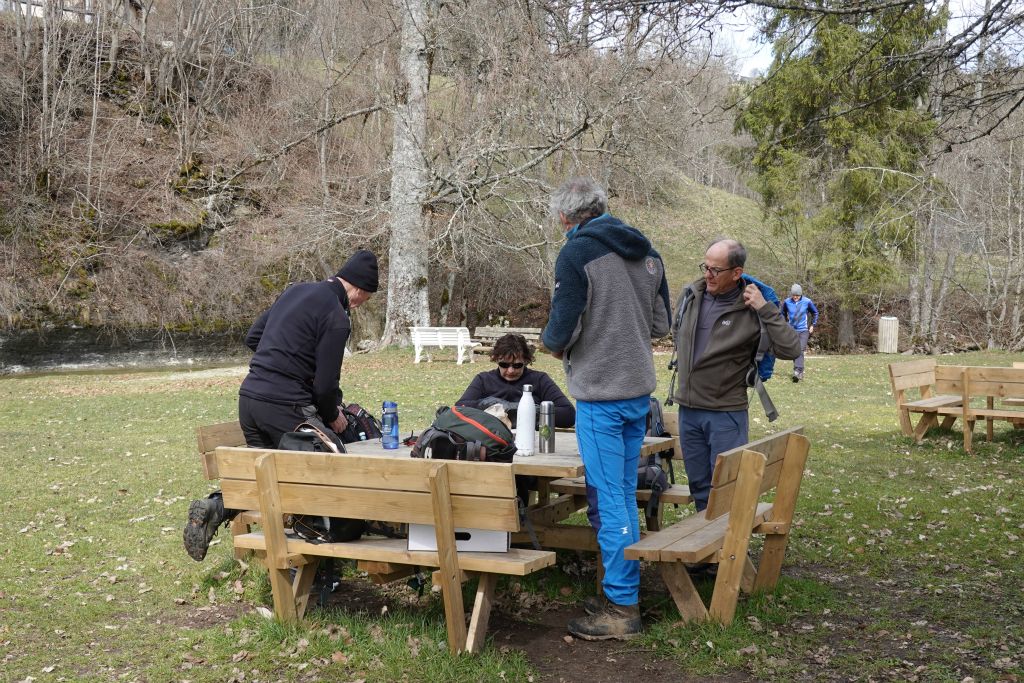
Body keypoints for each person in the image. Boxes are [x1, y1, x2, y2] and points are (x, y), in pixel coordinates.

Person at [182, 249, 379, 562]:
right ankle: (320, 558)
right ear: (358, 290)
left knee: (268, 478)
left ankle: (217, 506)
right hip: (287, 404)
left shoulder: (295, 291)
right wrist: (333, 416)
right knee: (332, 467)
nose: (359, 304)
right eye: (363, 299)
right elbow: (325, 386)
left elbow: (253, 337)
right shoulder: (337, 317)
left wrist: (283, 356)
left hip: (249, 398)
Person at [541, 177, 671, 641]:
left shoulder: (577, 253)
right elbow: (661, 323)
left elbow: (561, 327)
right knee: (620, 494)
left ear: (565, 217)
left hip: (600, 395)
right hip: (639, 392)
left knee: (610, 498)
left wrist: (554, 346)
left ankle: (621, 606)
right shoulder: (648, 251)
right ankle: (622, 589)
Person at [669, 239, 801, 520]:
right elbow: (676, 332)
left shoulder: (753, 306)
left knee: (727, 489)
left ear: (737, 272)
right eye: (705, 266)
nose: (708, 274)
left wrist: (765, 309)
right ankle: (709, 556)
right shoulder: (692, 295)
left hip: (725, 413)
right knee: (700, 488)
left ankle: (727, 556)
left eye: (715, 270)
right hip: (688, 410)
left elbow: (791, 349)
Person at [456, 333, 575, 428]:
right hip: (493, 440)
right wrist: (490, 404)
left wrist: (524, 410)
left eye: (517, 365)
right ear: (496, 360)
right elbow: (460, 408)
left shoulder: (540, 379)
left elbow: (568, 414)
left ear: (526, 361)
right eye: (504, 365)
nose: (511, 370)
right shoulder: (483, 379)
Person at [781, 283, 818, 382]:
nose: (795, 297)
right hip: (792, 330)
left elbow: (815, 312)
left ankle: (797, 371)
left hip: (803, 330)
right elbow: (782, 313)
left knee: (800, 350)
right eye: (794, 295)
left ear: (801, 294)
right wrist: (785, 324)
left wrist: (812, 325)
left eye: (797, 295)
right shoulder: (787, 302)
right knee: (794, 350)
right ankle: (799, 372)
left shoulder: (807, 301)